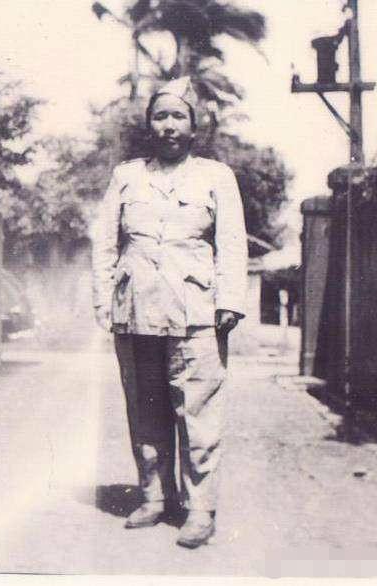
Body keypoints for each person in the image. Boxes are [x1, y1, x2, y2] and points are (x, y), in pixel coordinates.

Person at [91, 77, 248, 549]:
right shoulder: (127, 176)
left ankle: (200, 509)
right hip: (135, 309)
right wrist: (104, 301)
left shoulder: (216, 176)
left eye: (179, 116)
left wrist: (229, 301)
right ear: (149, 125)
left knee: (198, 411)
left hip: (197, 312)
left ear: (194, 127)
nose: (169, 125)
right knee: (145, 406)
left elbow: (232, 243)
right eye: (160, 116)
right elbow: (105, 243)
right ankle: (155, 497)